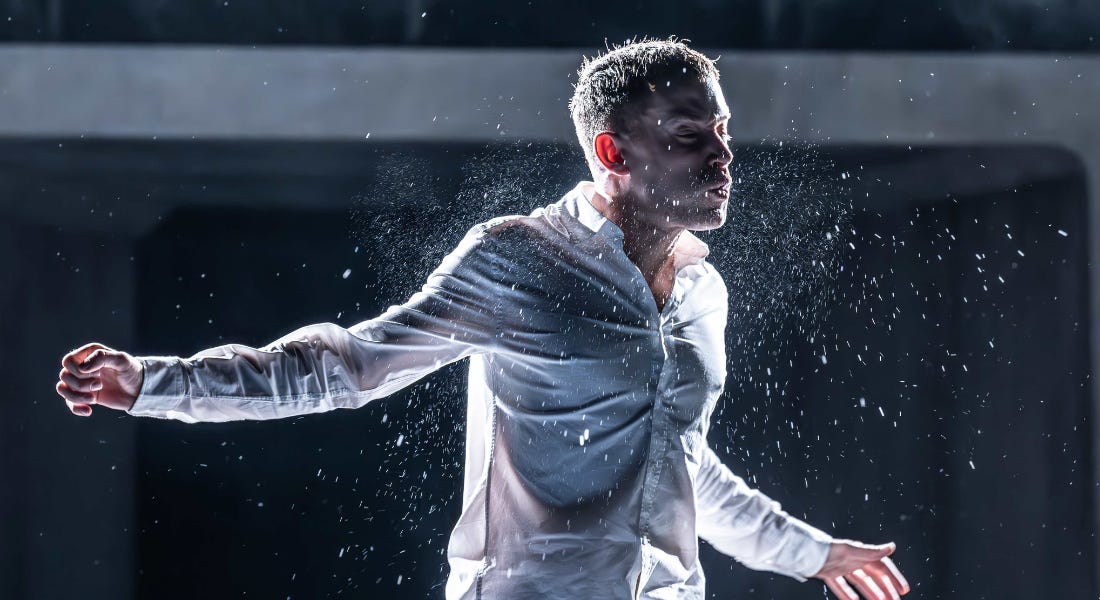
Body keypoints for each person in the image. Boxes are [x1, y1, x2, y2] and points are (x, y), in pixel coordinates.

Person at [56, 39, 909, 600]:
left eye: (722, 129)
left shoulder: (701, 293)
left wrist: (812, 552)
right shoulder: (516, 258)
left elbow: (678, 465)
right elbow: (346, 365)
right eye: (690, 134)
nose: (722, 154)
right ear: (612, 152)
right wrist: (153, 384)